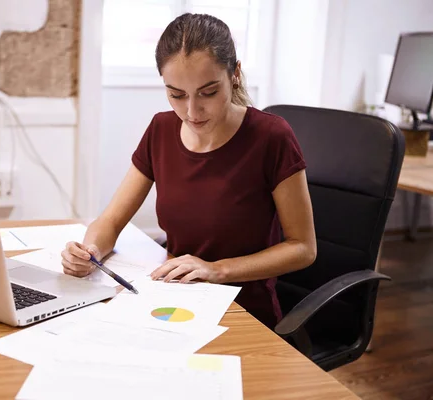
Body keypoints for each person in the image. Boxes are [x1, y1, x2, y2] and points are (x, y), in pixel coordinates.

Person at [60, 13, 317, 329]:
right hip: (172, 302)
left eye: (208, 92)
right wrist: (89, 252)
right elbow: (111, 220)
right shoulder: (161, 129)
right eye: (176, 95)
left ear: (234, 74)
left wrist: (216, 269)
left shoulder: (271, 137)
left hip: (243, 313)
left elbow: (303, 248)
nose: (192, 112)